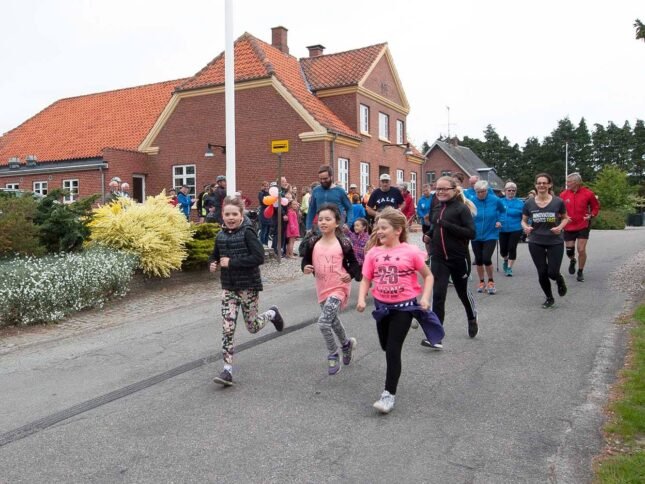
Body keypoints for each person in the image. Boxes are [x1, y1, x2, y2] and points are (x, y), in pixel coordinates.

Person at [357, 207, 443, 414]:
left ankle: (388, 395)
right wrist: (361, 298)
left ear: (398, 230)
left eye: (384, 228)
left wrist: (425, 298)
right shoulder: (373, 253)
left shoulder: (410, 251)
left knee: (393, 350)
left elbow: (428, 276)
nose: (379, 231)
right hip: (382, 308)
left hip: (404, 307)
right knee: (385, 345)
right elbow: (366, 279)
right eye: (378, 228)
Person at [209, 196, 285, 386]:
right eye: (227, 214)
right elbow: (215, 254)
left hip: (248, 287)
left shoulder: (248, 232)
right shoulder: (220, 235)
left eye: (234, 214)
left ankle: (272, 314)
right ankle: (227, 370)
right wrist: (213, 262)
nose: (231, 217)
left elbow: (259, 258)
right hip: (228, 288)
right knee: (227, 329)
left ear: (241, 215)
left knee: (252, 327)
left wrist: (232, 262)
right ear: (222, 215)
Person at [301, 203, 361, 376]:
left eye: (328, 219)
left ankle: (333, 354)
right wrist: (305, 267)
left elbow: (354, 263)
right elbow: (306, 260)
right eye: (320, 219)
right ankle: (346, 344)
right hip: (322, 287)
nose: (323, 222)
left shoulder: (343, 242)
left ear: (336, 223)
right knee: (333, 321)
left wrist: (350, 274)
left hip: (339, 287)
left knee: (323, 322)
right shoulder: (313, 242)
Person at [424, 176, 477, 347]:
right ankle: (436, 336)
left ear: (454, 190)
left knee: (463, 293)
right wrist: (429, 234)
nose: (440, 192)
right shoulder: (436, 207)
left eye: (444, 189)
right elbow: (435, 226)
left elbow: (471, 233)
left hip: (459, 258)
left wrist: (447, 225)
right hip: (439, 258)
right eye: (438, 189)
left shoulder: (461, 209)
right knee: (438, 295)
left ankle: (472, 317)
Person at [522, 173, 570, 309]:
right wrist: (525, 227)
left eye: (544, 183)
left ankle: (559, 278)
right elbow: (523, 220)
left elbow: (565, 218)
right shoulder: (529, 203)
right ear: (535, 185)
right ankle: (549, 297)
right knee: (542, 272)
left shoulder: (558, 202)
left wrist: (560, 227)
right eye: (539, 183)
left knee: (552, 272)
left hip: (555, 241)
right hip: (536, 240)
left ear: (550, 185)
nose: (541, 185)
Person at [560, 172, 600, 282]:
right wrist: (562, 216)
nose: (567, 183)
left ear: (576, 182)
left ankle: (580, 271)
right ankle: (572, 260)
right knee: (569, 251)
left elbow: (596, 207)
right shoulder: (563, 194)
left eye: (569, 182)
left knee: (581, 249)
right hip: (568, 225)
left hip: (583, 224)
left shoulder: (588, 193)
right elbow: (559, 209)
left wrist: (591, 215)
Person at [471, 180, 505, 294]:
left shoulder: (495, 200)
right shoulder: (472, 201)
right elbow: (466, 214)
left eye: (483, 191)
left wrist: (500, 221)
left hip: (491, 234)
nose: (480, 194)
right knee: (479, 259)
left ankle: (491, 281)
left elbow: (503, 211)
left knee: (486, 258)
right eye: (478, 192)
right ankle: (481, 281)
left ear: (487, 190)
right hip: (475, 235)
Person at [305, 165, 352, 231]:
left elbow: (349, 208)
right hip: (321, 228)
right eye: (321, 179)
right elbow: (311, 210)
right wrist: (308, 227)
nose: (323, 181)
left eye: (325, 178)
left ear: (331, 177)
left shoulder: (340, 191)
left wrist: (348, 224)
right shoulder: (316, 191)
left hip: (337, 228)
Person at [499, 182, 525, 276]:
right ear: (505, 191)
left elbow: (525, 216)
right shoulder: (499, 202)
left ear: (515, 191)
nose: (511, 192)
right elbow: (495, 213)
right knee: (503, 250)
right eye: (509, 190)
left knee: (512, 247)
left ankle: (509, 268)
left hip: (516, 228)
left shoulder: (520, 203)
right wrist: (496, 221)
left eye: (513, 190)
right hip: (502, 228)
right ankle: (506, 260)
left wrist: (526, 226)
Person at [416, 184, 435, 258]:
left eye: (427, 190)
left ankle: (435, 253)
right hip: (425, 223)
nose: (425, 192)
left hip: (433, 221)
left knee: (434, 238)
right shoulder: (421, 200)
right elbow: (419, 210)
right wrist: (423, 216)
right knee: (426, 238)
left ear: (430, 190)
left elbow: (435, 208)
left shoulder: (434, 198)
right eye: (424, 191)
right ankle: (429, 254)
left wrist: (429, 215)